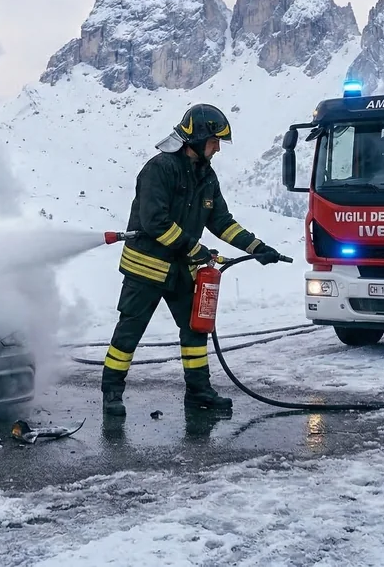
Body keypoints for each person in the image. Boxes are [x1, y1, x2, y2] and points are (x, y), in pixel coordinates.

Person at [102, 104, 284, 416]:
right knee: (130, 331)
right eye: (214, 141)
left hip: (180, 269)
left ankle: (198, 391)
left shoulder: (206, 176)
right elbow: (154, 222)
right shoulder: (158, 169)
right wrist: (194, 249)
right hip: (146, 268)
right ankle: (112, 392)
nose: (217, 148)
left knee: (195, 329)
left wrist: (256, 247)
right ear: (196, 139)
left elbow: (222, 221)